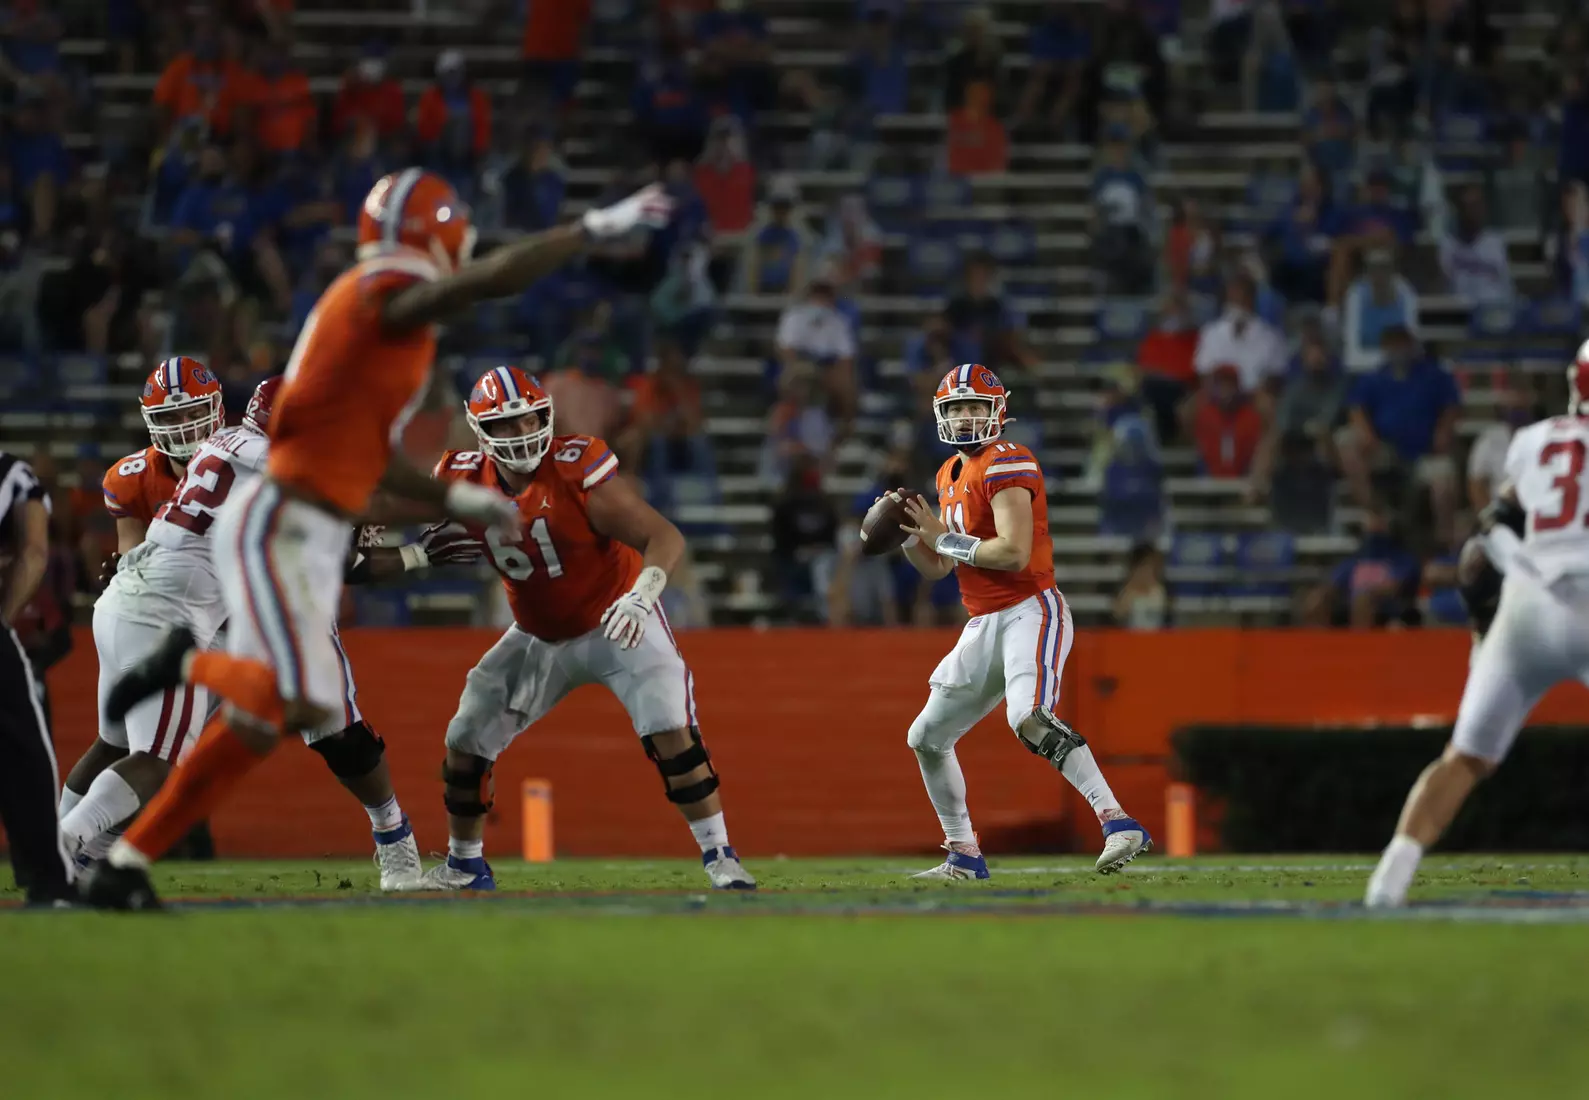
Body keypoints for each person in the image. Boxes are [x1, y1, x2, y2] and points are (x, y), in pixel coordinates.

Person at [80, 170, 675, 910]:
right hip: (283, 520)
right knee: (287, 709)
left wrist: (456, 499)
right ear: (436, 232)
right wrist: (586, 231)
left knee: (283, 709)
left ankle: (133, 842)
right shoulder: (383, 291)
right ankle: (177, 708)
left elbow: (363, 454)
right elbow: (476, 284)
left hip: (294, 514)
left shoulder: (357, 320)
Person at [58, 377, 473, 887]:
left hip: (204, 599)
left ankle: (77, 854)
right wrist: (462, 503)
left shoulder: (226, 445)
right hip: (187, 608)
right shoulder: (272, 459)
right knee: (161, 756)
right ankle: (70, 849)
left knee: (331, 730)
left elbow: (342, 550)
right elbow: (368, 518)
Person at [386, 366, 754, 891]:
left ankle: (721, 856)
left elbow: (664, 536)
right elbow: (396, 511)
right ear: (481, 431)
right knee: (466, 736)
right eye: (507, 425)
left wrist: (642, 597)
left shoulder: (576, 466)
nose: (520, 434)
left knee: (670, 727)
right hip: (536, 635)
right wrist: (385, 543)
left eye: (529, 419)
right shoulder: (462, 477)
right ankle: (465, 865)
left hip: (616, 618)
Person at [889, 363, 1152, 880]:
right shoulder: (948, 474)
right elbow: (941, 567)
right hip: (982, 620)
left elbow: (1012, 553)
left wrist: (942, 538)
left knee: (1027, 717)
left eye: (975, 407)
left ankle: (1119, 822)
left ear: (997, 412)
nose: (965, 418)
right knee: (926, 737)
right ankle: (963, 854)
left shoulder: (1009, 459)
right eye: (957, 408)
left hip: (1030, 608)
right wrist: (905, 538)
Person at [1366, 348, 1589, 907]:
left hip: (1526, 604)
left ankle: (1387, 884)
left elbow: (1484, 542)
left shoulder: (1533, 440)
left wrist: (1481, 630)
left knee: (1463, 758)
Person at [0, 450, 75, 906]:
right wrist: (3, 621)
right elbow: (33, 550)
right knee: (22, 755)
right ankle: (46, 876)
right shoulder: (12, 473)